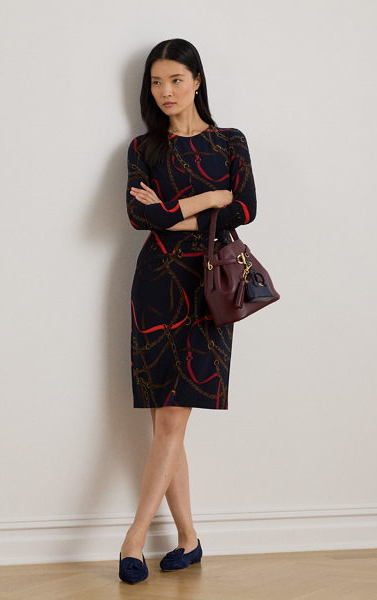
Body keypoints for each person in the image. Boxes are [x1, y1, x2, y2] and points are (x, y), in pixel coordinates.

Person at [119, 38, 257, 584]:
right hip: (155, 285)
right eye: (156, 82)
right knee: (163, 419)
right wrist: (210, 198)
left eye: (176, 79)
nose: (166, 91)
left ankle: (133, 539)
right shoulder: (143, 148)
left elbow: (245, 207)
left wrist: (176, 209)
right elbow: (140, 217)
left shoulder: (230, 141)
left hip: (209, 287)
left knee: (173, 418)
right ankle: (189, 539)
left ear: (197, 80)